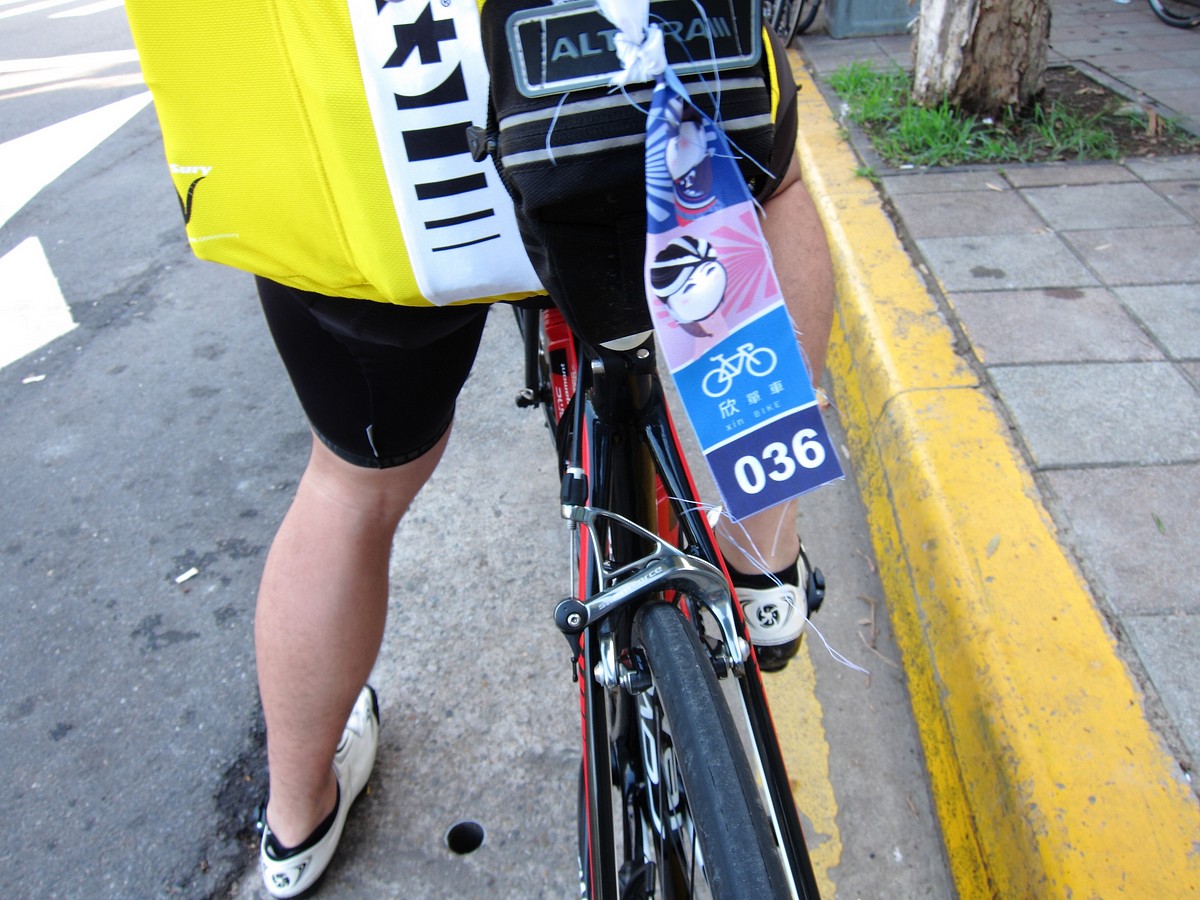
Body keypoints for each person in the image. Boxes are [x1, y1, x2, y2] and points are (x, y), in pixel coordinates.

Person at [130, 5, 834, 897]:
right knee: (769, 183)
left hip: (374, 163)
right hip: (610, 85)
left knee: (352, 488)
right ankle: (762, 561)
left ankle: (296, 819)